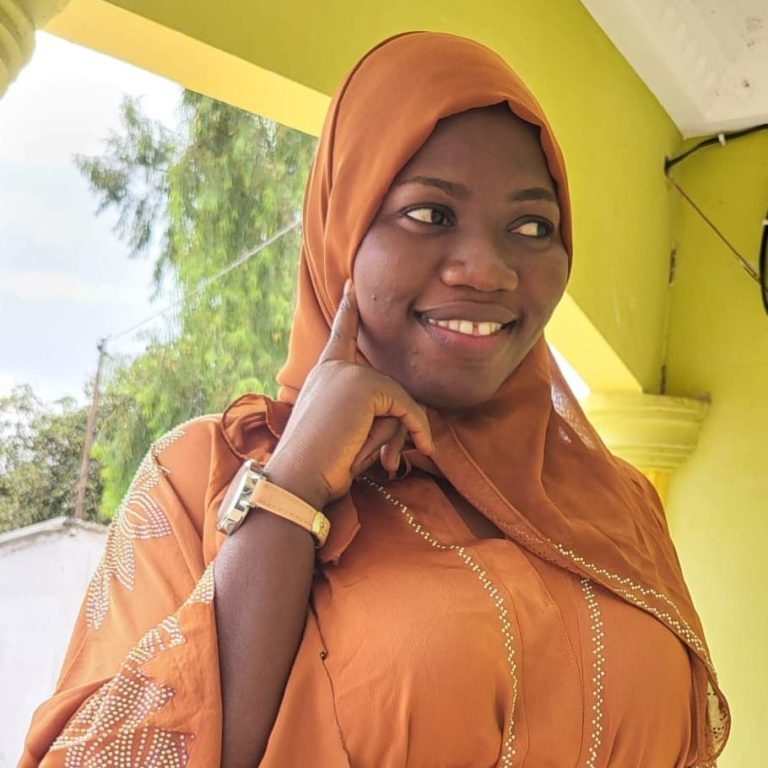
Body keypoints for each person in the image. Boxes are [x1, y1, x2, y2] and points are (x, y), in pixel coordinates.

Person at [20, 31, 729, 768]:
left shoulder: (617, 506)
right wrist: (292, 489)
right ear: (341, 229)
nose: (488, 270)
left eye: (532, 226)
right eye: (430, 214)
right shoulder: (198, 477)